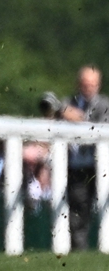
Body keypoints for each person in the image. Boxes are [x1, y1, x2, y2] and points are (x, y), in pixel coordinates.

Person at [43, 66, 109, 250]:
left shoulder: (104, 104)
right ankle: (80, 250)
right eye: (86, 85)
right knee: (78, 211)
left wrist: (75, 117)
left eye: (93, 85)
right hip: (76, 166)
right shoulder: (67, 102)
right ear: (79, 84)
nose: (89, 89)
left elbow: (99, 128)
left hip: (100, 167)